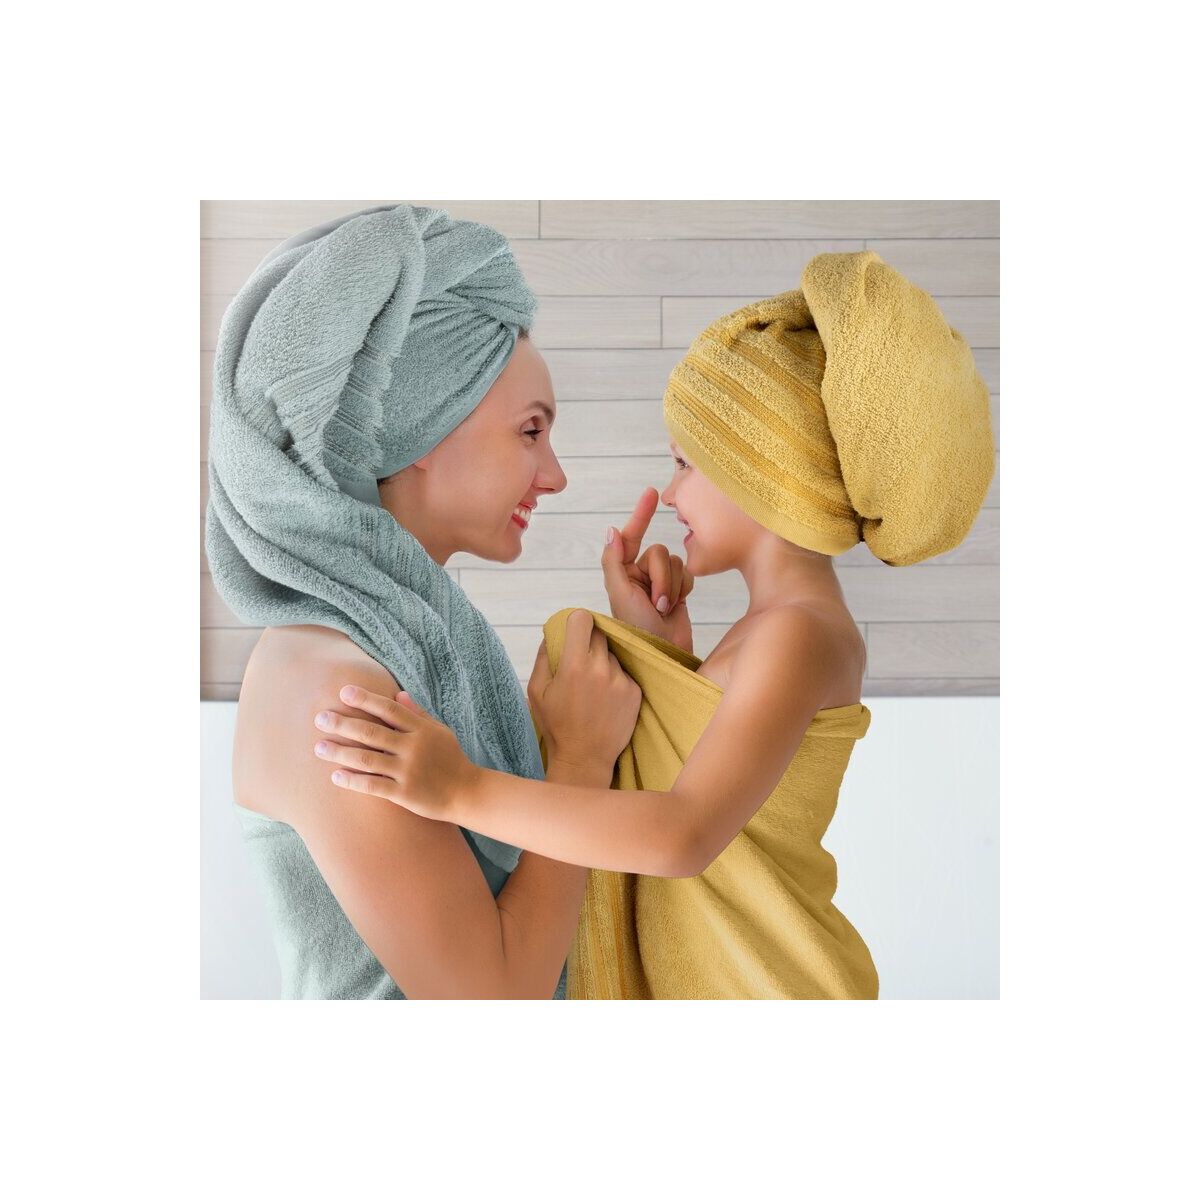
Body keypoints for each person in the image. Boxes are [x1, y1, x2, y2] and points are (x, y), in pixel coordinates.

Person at [310, 249, 997, 999]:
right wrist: (660, 652)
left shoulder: (800, 634)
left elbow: (684, 836)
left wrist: (459, 791)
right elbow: (714, 778)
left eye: (685, 464)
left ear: (766, 473)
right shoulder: (774, 629)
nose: (670, 495)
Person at [206, 203, 641, 999]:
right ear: (420, 427)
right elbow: (491, 1000)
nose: (554, 476)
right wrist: (579, 761)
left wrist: (652, 657)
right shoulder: (333, 686)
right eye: (531, 431)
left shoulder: (404, 654)